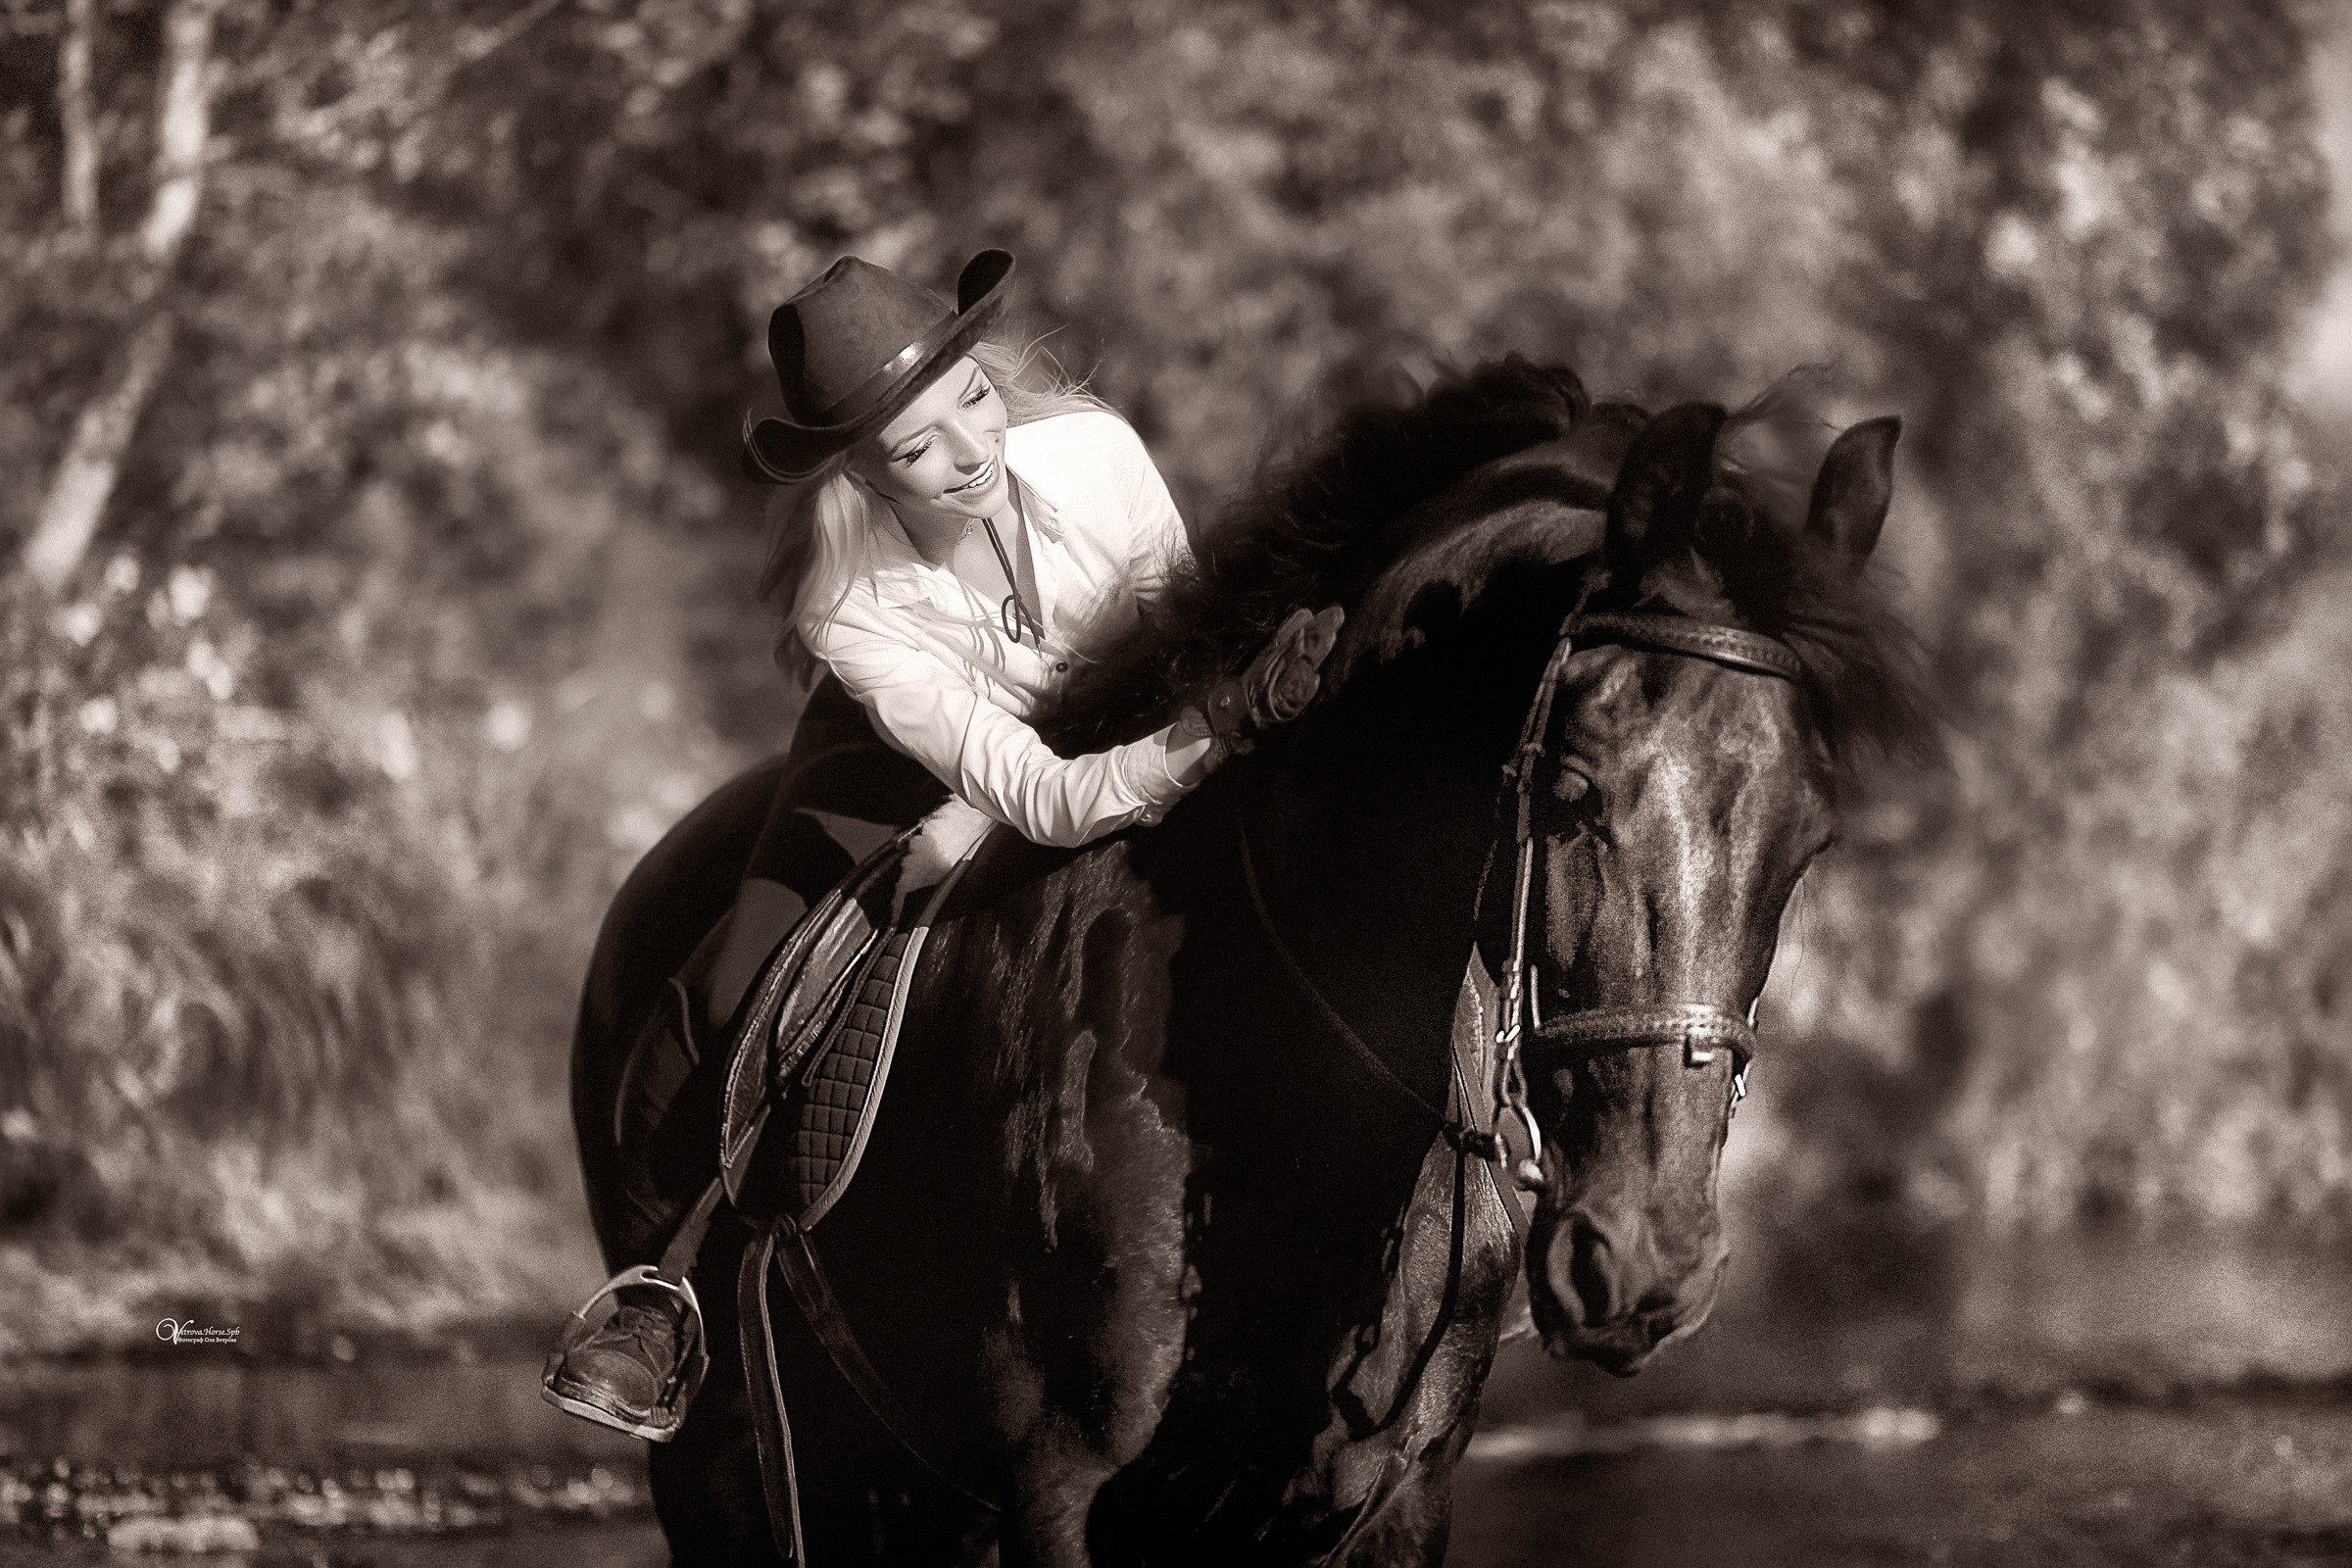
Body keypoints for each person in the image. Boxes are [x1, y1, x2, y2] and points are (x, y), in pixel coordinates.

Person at [543, 248, 1339, 1439]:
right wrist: (995, 799)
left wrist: (1200, 720)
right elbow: (1042, 787)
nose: (973, 454)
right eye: (919, 449)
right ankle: (663, 1284)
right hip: (901, 754)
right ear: (861, 474)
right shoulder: (846, 601)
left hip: (1115, 721)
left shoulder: (1095, 451)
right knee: (735, 973)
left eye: (973, 400)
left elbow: (1179, 640)